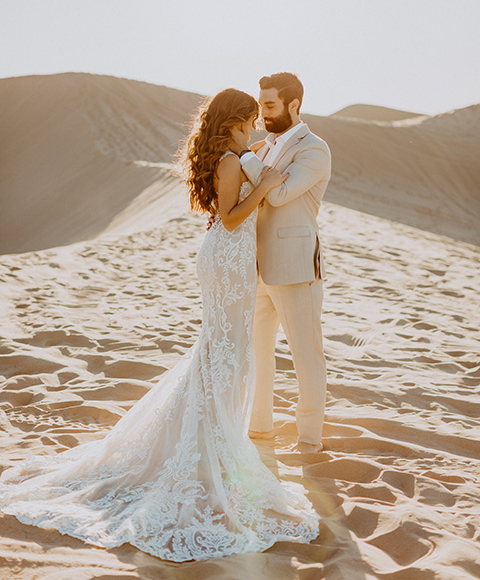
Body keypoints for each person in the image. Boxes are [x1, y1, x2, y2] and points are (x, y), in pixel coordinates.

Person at [0, 88, 320, 562]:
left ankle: (211, 438)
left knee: (221, 350)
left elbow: (226, 210)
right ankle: (209, 446)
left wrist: (254, 169)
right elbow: (232, 219)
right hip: (228, 258)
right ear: (232, 121)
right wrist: (267, 184)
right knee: (225, 351)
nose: (253, 128)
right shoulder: (231, 161)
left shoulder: (231, 155)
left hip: (223, 260)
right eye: (248, 120)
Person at [235, 73, 331, 452]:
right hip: (257, 269)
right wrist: (255, 158)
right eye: (261, 104)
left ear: (294, 105)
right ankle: (259, 427)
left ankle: (309, 438)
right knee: (258, 352)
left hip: (295, 269)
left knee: (305, 354)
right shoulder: (266, 148)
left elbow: (280, 194)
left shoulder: (314, 150)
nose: (263, 113)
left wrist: (244, 156)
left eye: (270, 105)